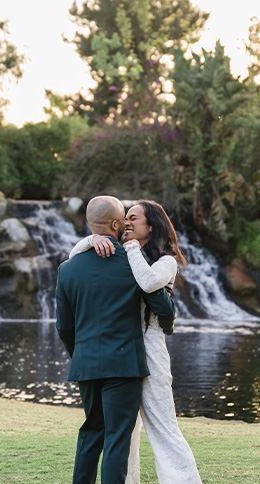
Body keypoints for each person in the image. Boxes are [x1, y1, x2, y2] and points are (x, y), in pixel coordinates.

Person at [69, 199, 202, 484]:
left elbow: (148, 282)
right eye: (125, 218)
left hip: (149, 353)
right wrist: (93, 239)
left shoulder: (164, 261)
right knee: (124, 434)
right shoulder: (124, 256)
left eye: (134, 218)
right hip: (123, 356)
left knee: (163, 428)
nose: (127, 223)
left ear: (151, 226)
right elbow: (73, 258)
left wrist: (128, 247)